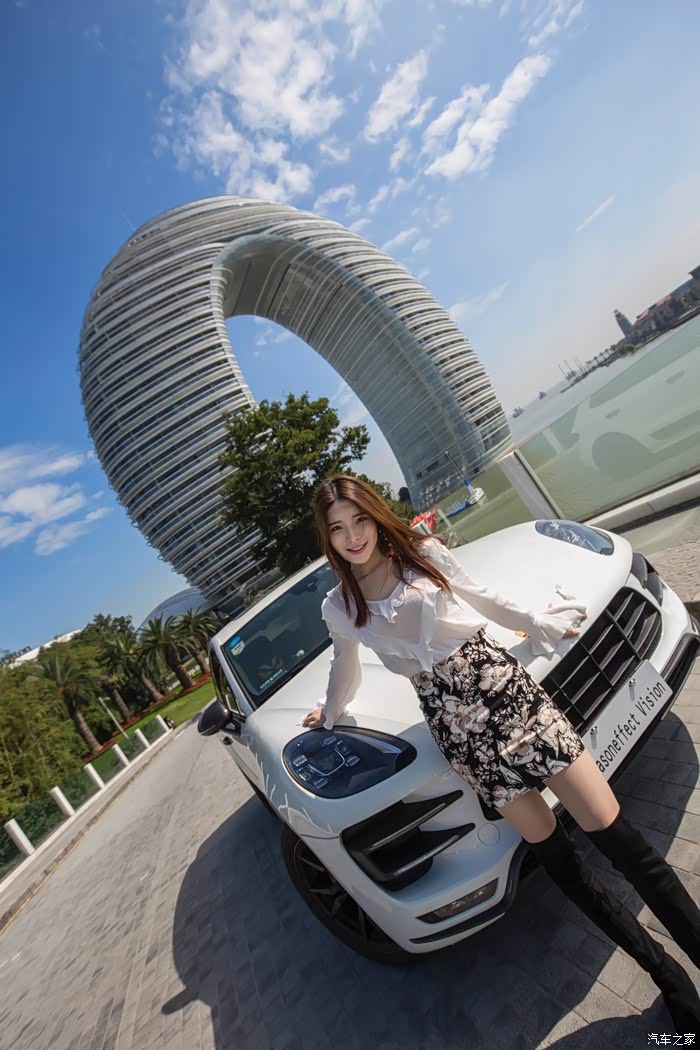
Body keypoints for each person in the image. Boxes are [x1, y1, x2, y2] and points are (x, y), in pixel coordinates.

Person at [302, 475, 700, 1034]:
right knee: (562, 864)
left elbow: (482, 597)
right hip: (462, 736)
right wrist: (330, 711)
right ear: (328, 538)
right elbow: (344, 665)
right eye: (339, 528)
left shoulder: (422, 553)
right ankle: (669, 979)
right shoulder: (340, 606)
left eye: (359, 519)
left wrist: (536, 623)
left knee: (618, 838)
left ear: (375, 513)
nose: (353, 536)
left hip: (509, 696)